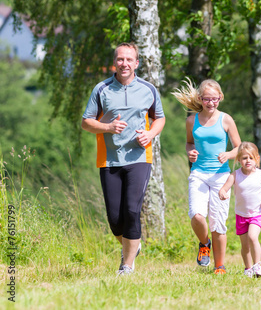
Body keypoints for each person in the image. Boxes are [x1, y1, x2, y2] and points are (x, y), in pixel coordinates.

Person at [81, 42, 165, 275]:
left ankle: (126, 265)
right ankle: (132, 246)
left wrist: (150, 134)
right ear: (115, 62)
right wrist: (108, 127)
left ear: (136, 63)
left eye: (129, 59)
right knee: (115, 219)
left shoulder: (148, 89)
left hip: (139, 158)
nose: (124, 63)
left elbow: (159, 118)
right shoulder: (102, 89)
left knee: (131, 210)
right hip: (109, 160)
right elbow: (86, 122)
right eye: (120, 59)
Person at [172, 78, 241, 275]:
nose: (211, 103)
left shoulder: (226, 119)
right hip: (199, 174)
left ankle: (220, 266)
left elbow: (239, 147)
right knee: (196, 215)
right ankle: (204, 243)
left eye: (215, 99)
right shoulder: (191, 121)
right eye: (207, 99)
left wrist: (228, 154)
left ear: (220, 98)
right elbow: (189, 143)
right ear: (200, 99)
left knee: (218, 222)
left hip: (221, 176)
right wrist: (190, 152)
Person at [219, 142, 261, 278]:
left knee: (252, 237)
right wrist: (223, 193)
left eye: (251, 158)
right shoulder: (235, 175)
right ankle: (248, 268)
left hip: (257, 213)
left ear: (257, 160)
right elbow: (224, 189)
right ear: (238, 160)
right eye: (244, 158)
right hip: (241, 215)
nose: (248, 161)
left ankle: (257, 266)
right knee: (245, 245)